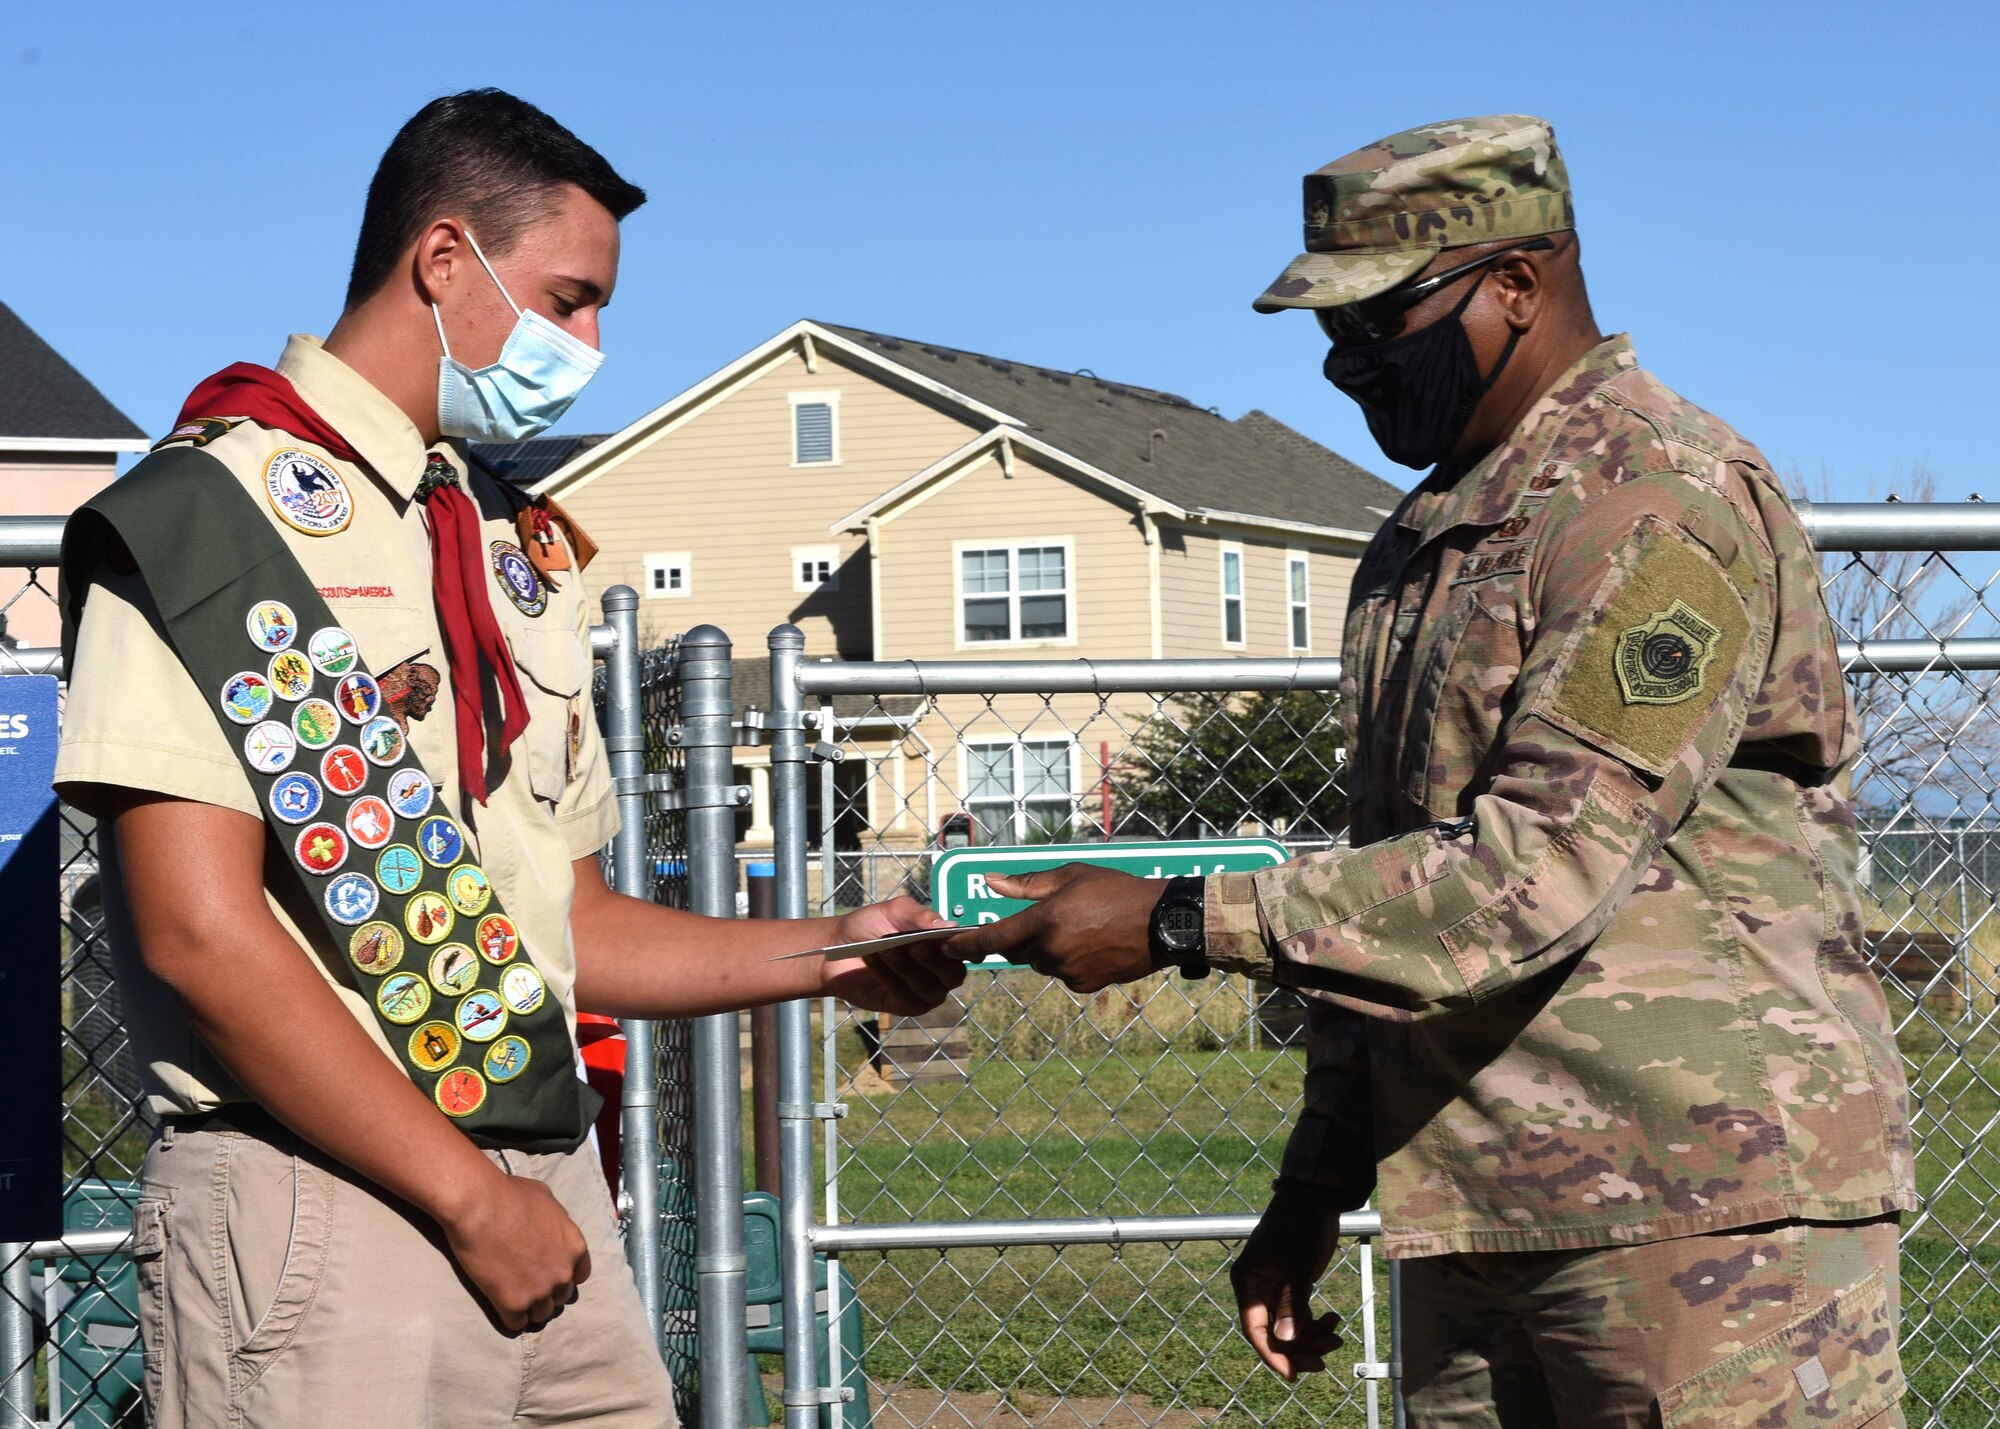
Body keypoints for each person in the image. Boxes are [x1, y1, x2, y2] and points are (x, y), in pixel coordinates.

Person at [951, 115, 1917, 1426]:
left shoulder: (1651, 499)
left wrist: (1182, 915)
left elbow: (1538, 870)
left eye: (1381, 321)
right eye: (1328, 336)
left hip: (1702, 1212)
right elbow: (1389, 899)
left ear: (1520, 283)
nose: (1350, 367)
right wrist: (1312, 1188)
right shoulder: (1423, 544)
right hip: (1477, 1207)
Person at [54, 89, 964, 1429]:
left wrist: (834, 949)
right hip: (328, 1209)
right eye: (569, 299)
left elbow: (571, 924)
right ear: (443, 262)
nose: (591, 344)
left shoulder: (504, 549)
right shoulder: (211, 521)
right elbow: (199, 935)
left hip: (552, 1200)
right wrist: (470, 1199)